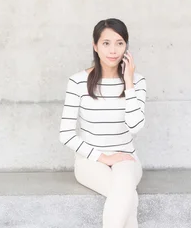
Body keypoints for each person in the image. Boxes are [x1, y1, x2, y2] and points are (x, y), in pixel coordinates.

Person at [59, 18, 147, 228]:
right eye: (106, 43)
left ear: (126, 47)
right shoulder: (78, 81)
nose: (113, 50)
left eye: (119, 43)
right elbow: (66, 134)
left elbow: (135, 126)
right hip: (90, 161)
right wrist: (103, 156)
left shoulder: (138, 82)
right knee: (128, 198)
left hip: (126, 158)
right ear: (95, 46)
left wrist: (129, 83)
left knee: (124, 188)